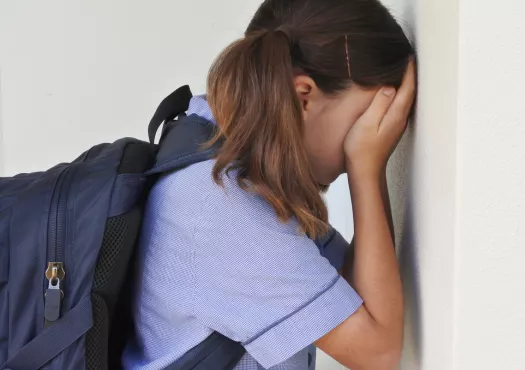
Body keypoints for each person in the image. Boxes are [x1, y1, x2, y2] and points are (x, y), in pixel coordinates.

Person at [122, 0, 415, 368]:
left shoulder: (224, 146)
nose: (373, 135)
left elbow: (356, 290)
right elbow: (378, 353)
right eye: (367, 118)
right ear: (303, 95)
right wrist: (367, 169)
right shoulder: (225, 205)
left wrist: (367, 166)